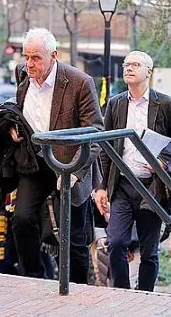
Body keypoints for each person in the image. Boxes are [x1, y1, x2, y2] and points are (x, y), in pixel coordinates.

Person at [95, 50, 171, 292]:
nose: (128, 68)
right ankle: (120, 293)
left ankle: (146, 296)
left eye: (135, 64)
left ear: (148, 72)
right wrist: (101, 187)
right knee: (117, 242)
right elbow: (105, 146)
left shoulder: (167, 105)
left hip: (152, 186)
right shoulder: (115, 103)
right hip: (121, 183)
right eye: (126, 64)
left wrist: (164, 160)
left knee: (149, 250)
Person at [10, 27, 103, 282]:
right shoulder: (23, 75)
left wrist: (74, 172)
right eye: (26, 56)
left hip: (71, 164)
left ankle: (78, 290)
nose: (29, 63)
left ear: (54, 55)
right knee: (22, 220)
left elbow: (95, 132)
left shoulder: (79, 82)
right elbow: (22, 112)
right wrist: (14, 128)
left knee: (72, 238)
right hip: (36, 162)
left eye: (36, 58)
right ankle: (34, 278)